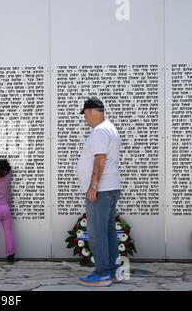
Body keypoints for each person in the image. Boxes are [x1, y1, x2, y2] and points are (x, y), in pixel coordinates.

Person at [76, 98, 121, 287]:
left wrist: (93, 185)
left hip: (101, 190)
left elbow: (100, 159)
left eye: (85, 114)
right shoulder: (109, 127)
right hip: (110, 187)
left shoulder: (100, 130)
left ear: (92, 111)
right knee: (108, 231)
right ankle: (111, 270)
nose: (85, 119)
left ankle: (102, 274)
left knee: (97, 232)